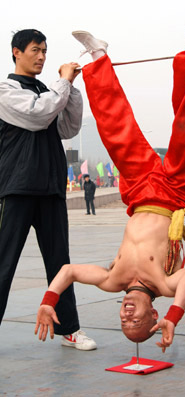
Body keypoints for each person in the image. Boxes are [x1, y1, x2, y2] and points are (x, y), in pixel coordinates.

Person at [34, 26, 185, 351]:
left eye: (124, 322)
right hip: (173, 195)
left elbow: (68, 271)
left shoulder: (113, 281)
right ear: (152, 312)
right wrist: (174, 315)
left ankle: (98, 56)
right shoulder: (164, 284)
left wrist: (49, 300)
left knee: (114, 130)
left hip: (141, 193)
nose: (127, 315)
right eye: (137, 320)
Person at [0, 29, 96, 351]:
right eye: (34, 50)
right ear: (16, 52)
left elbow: (68, 127)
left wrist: (72, 86)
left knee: (60, 263)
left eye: (44, 51)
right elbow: (37, 115)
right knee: (3, 262)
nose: (41, 56)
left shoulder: (48, 89)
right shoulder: (5, 89)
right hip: (15, 188)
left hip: (50, 187)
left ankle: (69, 329)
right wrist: (62, 83)